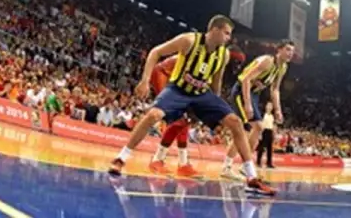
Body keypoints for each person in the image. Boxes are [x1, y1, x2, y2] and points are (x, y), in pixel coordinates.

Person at [106, 15, 275, 196]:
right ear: (214, 30)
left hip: (202, 95)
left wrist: (215, 110)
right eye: (226, 33)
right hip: (177, 89)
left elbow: (216, 83)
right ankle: (121, 159)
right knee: (153, 115)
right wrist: (145, 80)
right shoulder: (188, 40)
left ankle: (251, 177)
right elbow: (156, 52)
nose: (228, 38)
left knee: (235, 122)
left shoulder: (223, 54)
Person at [222, 40, 294, 180]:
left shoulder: (283, 67)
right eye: (287, 49)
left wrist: (278, 110)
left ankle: (244, 166)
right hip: (241, 91)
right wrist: (248, 104)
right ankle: (227, 166)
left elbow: (275, 89)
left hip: (254, 94)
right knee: (244, 129)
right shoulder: (267, 61)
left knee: (258, 127)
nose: (290, 53)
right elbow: (246, 80)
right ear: (279, 50)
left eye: (292, 50)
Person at [146, 54, 198, 178]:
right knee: (178, 119)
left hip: (175, 80)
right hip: (162, 74)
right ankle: (156, 159)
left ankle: (183, 163)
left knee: (184, 121)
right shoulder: (200, 59)